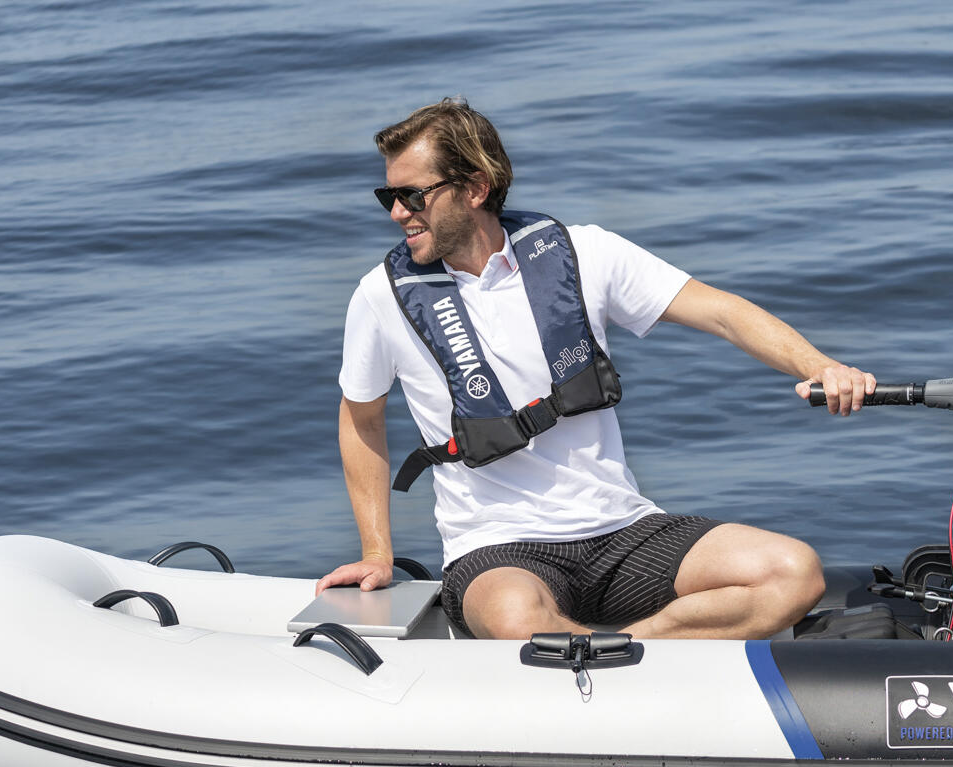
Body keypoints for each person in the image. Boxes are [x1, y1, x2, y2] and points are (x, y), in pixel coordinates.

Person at [317, 98, 876, 640]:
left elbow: (723, 313)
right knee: (516, 621)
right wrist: (377, 552)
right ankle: (601, 656)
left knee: (793, 573)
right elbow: (360, 419)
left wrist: (820, 365)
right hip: (496, 547)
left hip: (622, 530)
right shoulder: (380, 296)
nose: (397, 213)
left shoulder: (585, 253)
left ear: (475, 188)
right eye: (389, 196)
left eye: (412, 195)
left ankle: (618, 651)